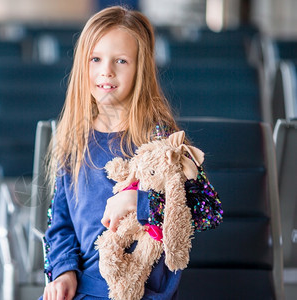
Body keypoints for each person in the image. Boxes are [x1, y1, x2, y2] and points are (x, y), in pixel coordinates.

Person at [40, 6, 223, 300]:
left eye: (121, 61)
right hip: (85, 285)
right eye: (96, 59)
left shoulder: (158, 137)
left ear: (140, 68)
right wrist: (63, 270)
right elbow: (59, 223)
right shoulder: (73, 138)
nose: (106, 71)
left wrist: (136, 202)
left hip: (141, 289)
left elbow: (206, 210)